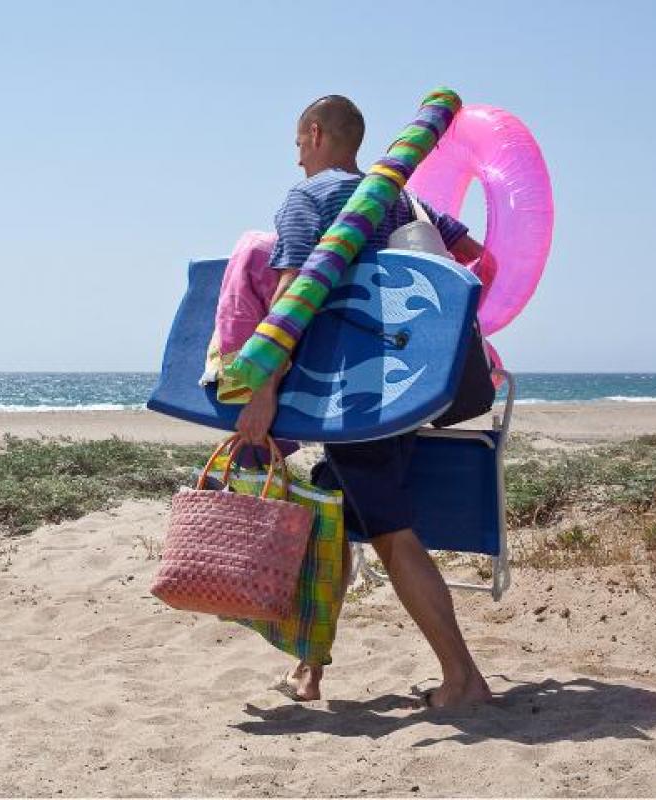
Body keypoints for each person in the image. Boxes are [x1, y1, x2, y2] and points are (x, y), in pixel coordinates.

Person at [236, 95, 492, 708]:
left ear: (316, 133)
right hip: (404, 393)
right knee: (331, 519)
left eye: (298, 140)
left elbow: (291, 295)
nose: (297, 153)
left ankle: (463, 680)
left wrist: (262, 393)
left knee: (392, 534)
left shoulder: (311, 199)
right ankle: (309, 670)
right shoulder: (410, 200)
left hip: (350, 399)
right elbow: (479, 261)